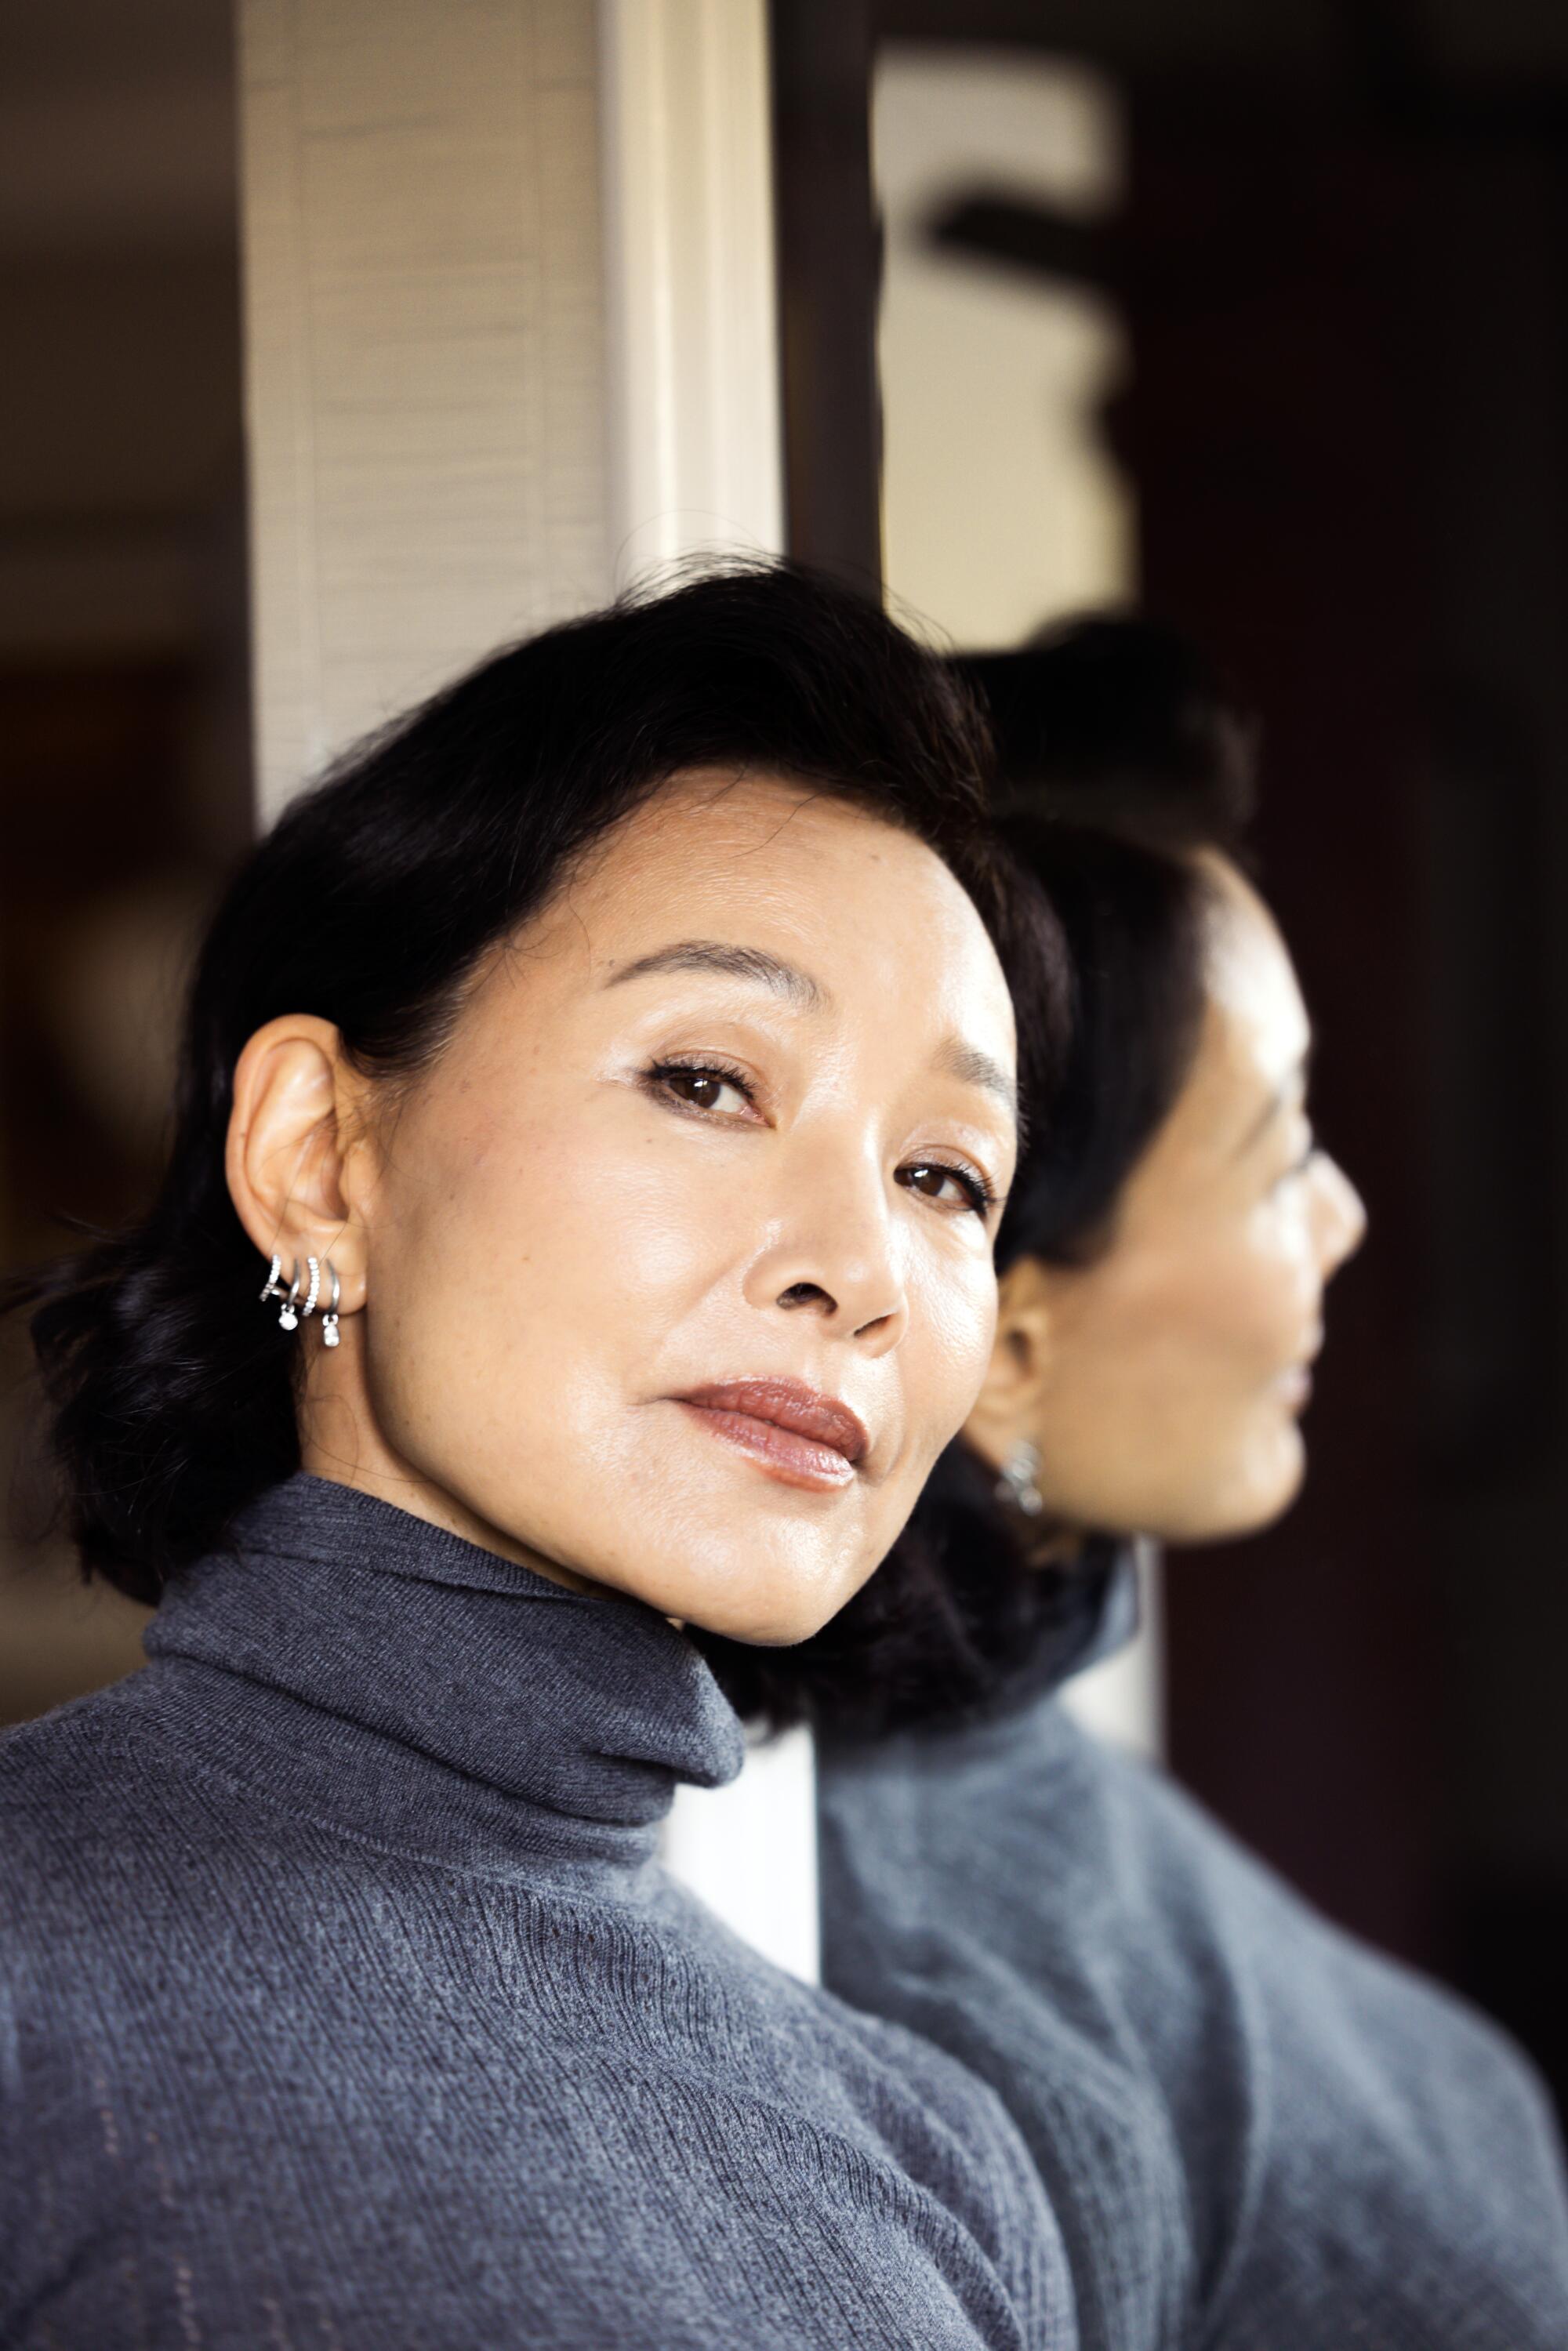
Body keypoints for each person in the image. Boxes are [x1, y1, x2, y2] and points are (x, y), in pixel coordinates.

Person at [0, 566, 1073, 2351]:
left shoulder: (938, 2161)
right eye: (711, 1081)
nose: (862, 1268)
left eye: (942, 1176)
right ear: (320, 1157)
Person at [703, 619, 1568, 2349]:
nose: (1342, 1220)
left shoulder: (1011, 1821)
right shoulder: (938, 1985)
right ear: (1001, 1338)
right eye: (1277, 1156)